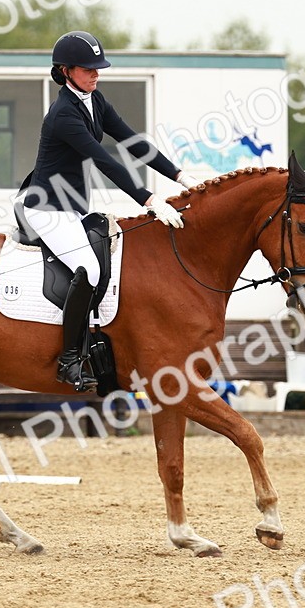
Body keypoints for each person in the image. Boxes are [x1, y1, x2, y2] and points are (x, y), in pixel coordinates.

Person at [16, 31, 201, 391]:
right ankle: (69, 359)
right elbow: (104, 161)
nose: (96, 74)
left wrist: (180, 176)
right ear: (66, 71)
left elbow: (132, 142)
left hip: (73, 207)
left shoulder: (95, 100)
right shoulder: (62, 114)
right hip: (48, 209)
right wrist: (149, 200)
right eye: (88, 69)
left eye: (98, 68)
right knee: (89, 267)